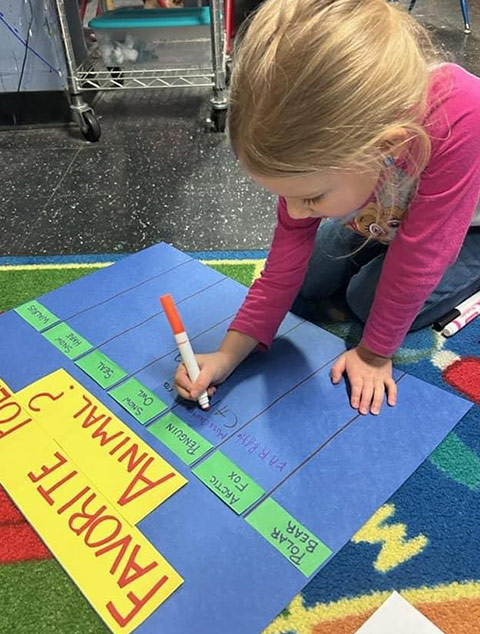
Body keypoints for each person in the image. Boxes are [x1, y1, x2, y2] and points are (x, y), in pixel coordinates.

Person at [175, 0, 480, 415]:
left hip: (464, 227)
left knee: (367, 302)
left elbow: (423, 254)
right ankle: (369, 220)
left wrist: (374, 354)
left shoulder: (462, 115)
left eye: (312, 197)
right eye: (288, 197)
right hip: (386, 207)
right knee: (309, 278)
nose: (297, 212)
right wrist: (227, 355)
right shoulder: (316, 152)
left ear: (383, 147)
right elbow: (283, 266)